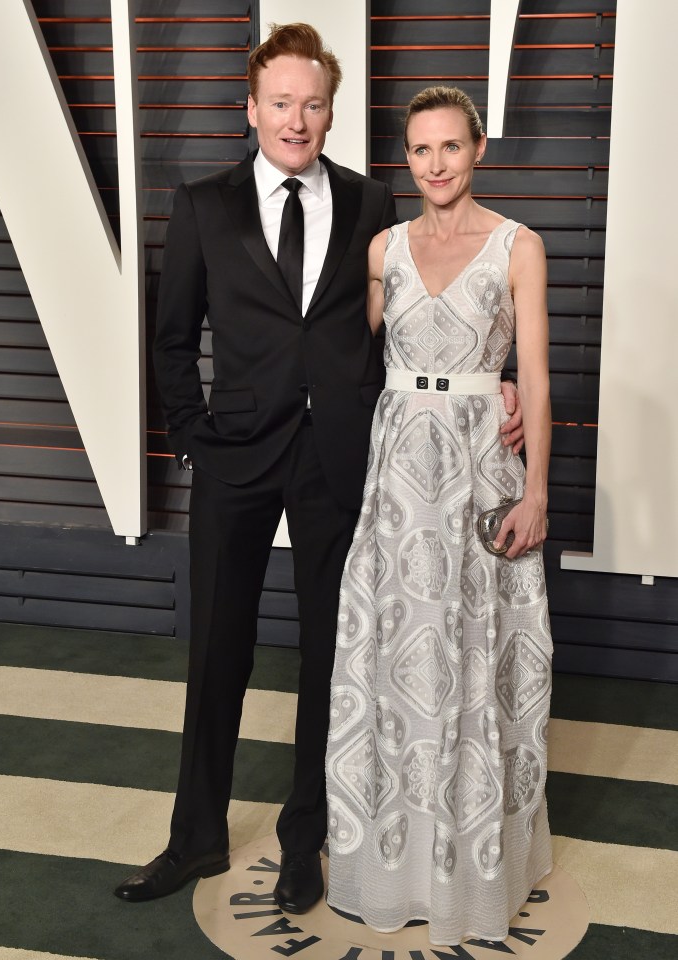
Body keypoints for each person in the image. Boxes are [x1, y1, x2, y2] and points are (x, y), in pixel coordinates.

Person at [114, 27, 524, 913]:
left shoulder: (375, 202)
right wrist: (193, 436)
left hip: (343, 455)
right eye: (282, 102)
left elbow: (426, 313)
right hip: (235, 457)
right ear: (251, 107)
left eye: (313, 103)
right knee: (217, 649)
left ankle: (308, 841)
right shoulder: (203, 205)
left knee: (332, 660)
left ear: (331, 112)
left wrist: (509, 385)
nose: (297, 119)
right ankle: (195, 839)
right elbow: (172, 336)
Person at [325, 85, 552, 945]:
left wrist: (535, 489)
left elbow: (532, 373)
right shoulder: (382, 247)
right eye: (421, 151)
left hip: (479, 473)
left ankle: (471, 866)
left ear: (479, 148)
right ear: (407, 159)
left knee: (479, 656)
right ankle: (395, 862)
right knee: (398, 662)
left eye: (451, 147)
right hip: (397, 484)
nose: (436, 164)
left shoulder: (517, 246)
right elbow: (346, 349)